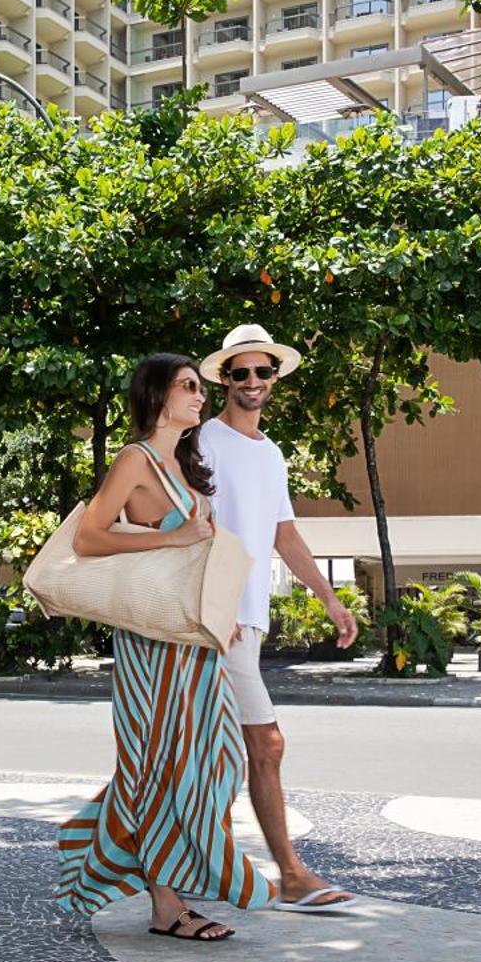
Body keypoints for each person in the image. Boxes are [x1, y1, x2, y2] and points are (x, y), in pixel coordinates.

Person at [56, 352, 278, 942]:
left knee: (218, 761)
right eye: (187, 387)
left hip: (193, 642)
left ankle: (114, 854)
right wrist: (172, 535)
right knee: (161, 769)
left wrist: (219, 613)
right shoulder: (136, 460)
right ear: (157, 397)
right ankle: (167, 904)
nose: (199, 395)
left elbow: (195, 562)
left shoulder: (185, 465)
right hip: (151, 648)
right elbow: (88, 536)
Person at [196, 324, 362, 913]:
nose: (252, 382)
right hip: (214, 620)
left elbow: (283, 534)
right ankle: (289, 875)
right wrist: (212, 602)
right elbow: (189, 527)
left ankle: (179, 866)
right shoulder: (202, 442)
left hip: (249, 617)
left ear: (275, 379)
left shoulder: (271, 454)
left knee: (209, 750)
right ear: (223, 379)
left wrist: (330, 598)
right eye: (240, 373)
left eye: (262, 372)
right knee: (263, 744)